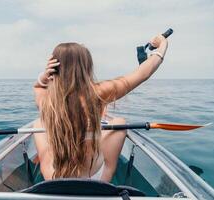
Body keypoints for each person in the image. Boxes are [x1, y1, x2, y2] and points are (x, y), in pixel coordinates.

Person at [33, 34, 168, 182]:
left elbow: (38, 86)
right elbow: (143, 73)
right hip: (96, 178)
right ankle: (106, 180)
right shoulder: (98, 93)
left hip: (53, 177)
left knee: (39, 123)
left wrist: (44, 76)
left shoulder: (47, 100)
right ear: (87, 67)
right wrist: (163, 44)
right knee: (119, 122)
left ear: (54, 68)